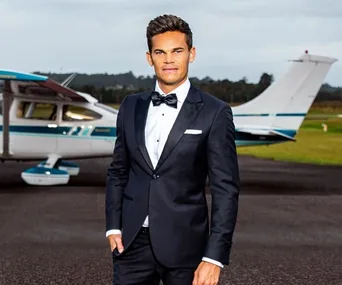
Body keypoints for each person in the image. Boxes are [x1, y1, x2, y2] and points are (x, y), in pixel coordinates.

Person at [105, 14, 240, 285]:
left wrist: (214, 258)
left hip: (187, 247)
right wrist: (113, 226)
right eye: (160, 52)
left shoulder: (215, 112)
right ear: (149, 57)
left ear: (191, 54)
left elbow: (226, 189)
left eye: (177, 51)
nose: (168, 60)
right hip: (131, 245)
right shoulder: (130, 106)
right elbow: (118, 171)